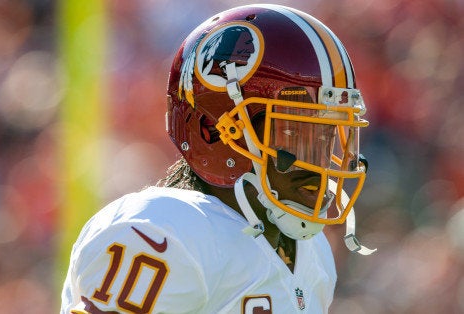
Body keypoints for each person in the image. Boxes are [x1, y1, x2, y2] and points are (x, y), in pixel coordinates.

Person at [61, 4, 375, 313]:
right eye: (297, 135)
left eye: (326, 137)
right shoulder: (164, 230)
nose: (319, 164)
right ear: (211, 130)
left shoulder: (312, 253)